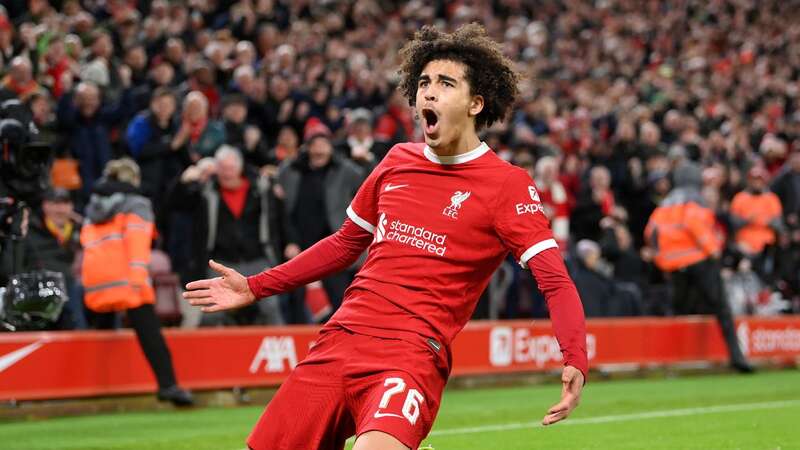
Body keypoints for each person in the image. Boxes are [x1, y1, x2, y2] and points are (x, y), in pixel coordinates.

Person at [184, 24, 586, 450]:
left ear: (475, 103)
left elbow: (554, 281)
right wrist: (254, 285)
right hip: (340, 339)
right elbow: (344, 244)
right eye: (424, 83)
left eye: (445, 83)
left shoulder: (506, 185)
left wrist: (574, 357)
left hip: (411, 355)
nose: (428, 93)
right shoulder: (396, 161)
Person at [80, 158, 193, 406]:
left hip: (97, 281)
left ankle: (85, 389)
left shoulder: (93, 207)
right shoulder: (137, 204)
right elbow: (137, 244)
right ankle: (169, 385)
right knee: (150, 333)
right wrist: (138, 280)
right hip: (127, 279)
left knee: (100, 330)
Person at [645, 162, 753, 373]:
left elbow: (651, 233)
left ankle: (672, 362)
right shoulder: (695, 200)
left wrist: (661, 259)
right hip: (701, 262)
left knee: (678, 311)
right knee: (722, 309)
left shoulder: (664, 205)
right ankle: (736, 356)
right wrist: (713, 250)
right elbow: (697, 225)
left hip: (674, 267)